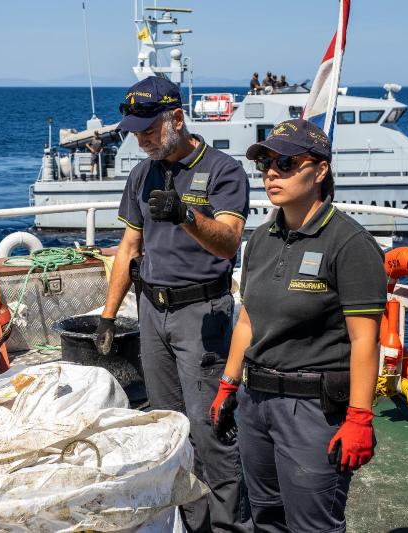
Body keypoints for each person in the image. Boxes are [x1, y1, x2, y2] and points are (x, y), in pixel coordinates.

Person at [210, 119, 387, 532]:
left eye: (286, 162)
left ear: (320, 169)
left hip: (312, 410)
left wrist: (360, 418)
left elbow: (365, 340)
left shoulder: (348, 243)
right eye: (267, 164)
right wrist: (228, 384)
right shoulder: (261, 239)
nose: (272, 172)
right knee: (265, 516)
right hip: (256, 403)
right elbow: (248, 320)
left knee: (312, 525)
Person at [96, 76, 252, 533]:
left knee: (212, 430)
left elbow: (228, 243)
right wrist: (108, 316)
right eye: (135, 131)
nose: (140, 140)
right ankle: (194, 525)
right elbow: (129, 247)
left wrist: (185, 215)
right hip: (152, 314)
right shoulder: (141, 174)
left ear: (176, 119)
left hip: (201, 314)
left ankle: (229, 528)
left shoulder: (223, 170)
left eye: (148, 130)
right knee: (168, 428)